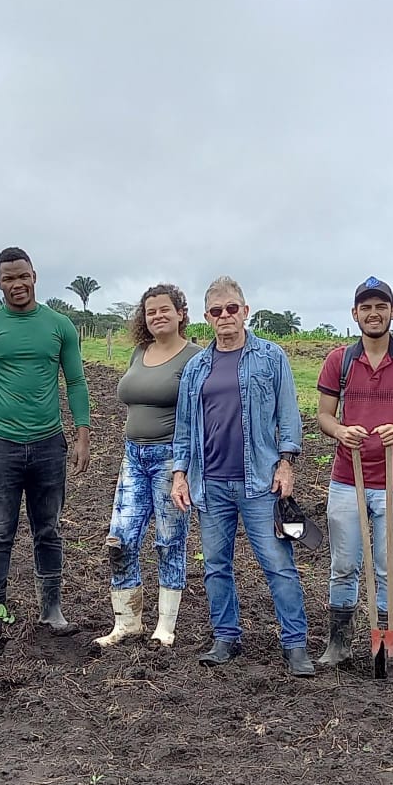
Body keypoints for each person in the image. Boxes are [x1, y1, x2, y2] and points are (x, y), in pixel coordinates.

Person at [171, 276, 313, 677]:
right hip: (211, 482)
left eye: (232, 308)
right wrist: (180, 475)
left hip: (259, 483)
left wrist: (286, 464)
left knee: (277, 563)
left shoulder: (270, 357)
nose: (225, 316)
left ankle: (295, 643)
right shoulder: (197, 366)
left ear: (245, 311)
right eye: (216, 311)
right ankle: (226, 637)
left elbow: (288, 417)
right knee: (216, 564)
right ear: (206, 318)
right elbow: (184, 428)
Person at [0, 246, 92, 657]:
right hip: (0, 446)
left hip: (49, 443)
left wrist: (82, 434)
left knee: (48, 528)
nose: (16, 285)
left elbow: (76, 381)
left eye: (22, 277)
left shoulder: (59, 326)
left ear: (34, 276)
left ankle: (51, 608)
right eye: (7, 279)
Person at [314, 278, 393, 668]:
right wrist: (339, 430)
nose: (373, 313)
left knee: (390, 564)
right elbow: (324, 416)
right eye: (365, 308)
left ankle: (387, 638)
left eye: (380, 306)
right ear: (355, 315)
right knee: (344, 562)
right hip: (347, 479)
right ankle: (339, 641)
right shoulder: (340, 361)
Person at [96, 284, 202, 649]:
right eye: (150, 311)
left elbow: (197, 415)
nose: (157, 316)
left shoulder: (194, 357)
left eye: (164, 309)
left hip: (170, 459)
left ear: (181, 313)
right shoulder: (140, 352)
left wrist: (184, 470)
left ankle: (165, 626)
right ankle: (127, 622)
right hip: (133, 456)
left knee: (169, 540)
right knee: (120, 538)